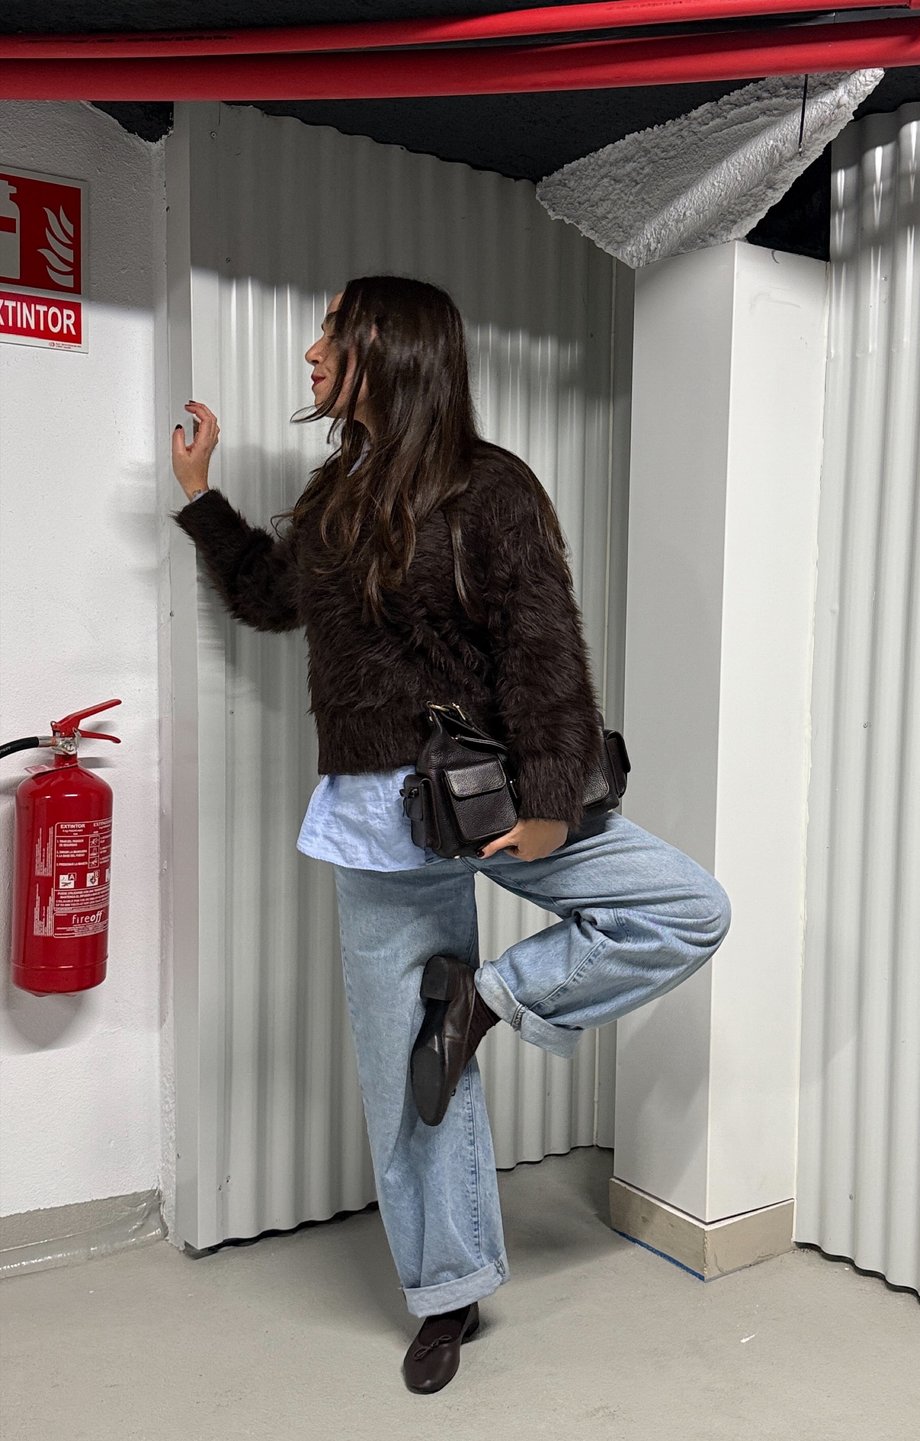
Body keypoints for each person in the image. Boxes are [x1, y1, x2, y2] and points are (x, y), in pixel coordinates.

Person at [170, 275, 731, 1396]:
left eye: (332, 330)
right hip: (380, 821)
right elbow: (270, 598)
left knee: (685, 907)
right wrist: (201, 497)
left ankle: (490, 1000)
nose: (311, 351)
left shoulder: (491, 486)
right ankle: (448, 1287)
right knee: (406, 1081)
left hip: (497, 800)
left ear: (393, 347)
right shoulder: (338, 495)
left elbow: (543, 645)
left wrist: (552, 797)